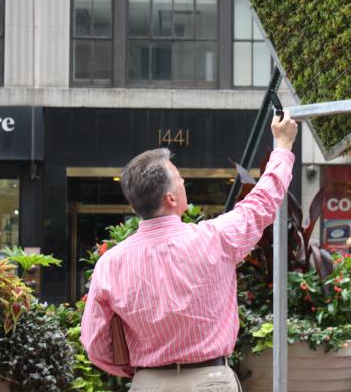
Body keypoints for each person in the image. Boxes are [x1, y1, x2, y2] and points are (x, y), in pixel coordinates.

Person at [80, 111, 298, 391]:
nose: (184, 183)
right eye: (179, 178)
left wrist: (137, 370)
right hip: (210, 381)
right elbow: (262, 202)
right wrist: (282, 147)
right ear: (170, 198)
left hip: (148, 383)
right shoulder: (215, 238)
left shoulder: (111, 263)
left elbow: (94, 342)